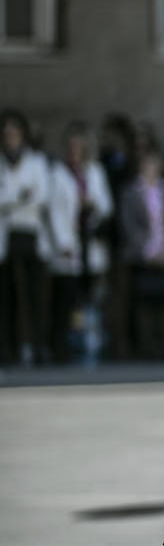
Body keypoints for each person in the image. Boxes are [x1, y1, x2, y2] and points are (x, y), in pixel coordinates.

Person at [47, 122, 115, 364]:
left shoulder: (94, 171)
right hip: (68, 244)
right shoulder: (58, 173)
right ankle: (62, 348)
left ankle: (90, 345)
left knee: (91, 299)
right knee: (65, 300)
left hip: (91, 242)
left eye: (80, 147)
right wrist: (63, 242)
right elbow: (55, 211)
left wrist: (91, 203)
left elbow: (106, 206)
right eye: (72, 147)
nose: (76, 151)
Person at [119, 149, 164, 359]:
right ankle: (147, 346)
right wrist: (148, 250)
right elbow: (129, 224)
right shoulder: (131, 192)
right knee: (144, 303)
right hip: (142, 256)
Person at [0, 109, 52, 365]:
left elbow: (41, 196)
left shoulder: (36, 162)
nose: (11, 138)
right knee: (8, 298)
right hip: (7, 238)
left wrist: (12, 201)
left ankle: (35, 346)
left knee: (33, 297)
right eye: (7, 133)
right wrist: (20, 197)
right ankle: (9, 348)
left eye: (15, 133)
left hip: (30, 235)